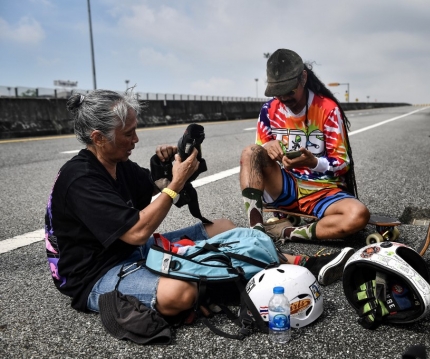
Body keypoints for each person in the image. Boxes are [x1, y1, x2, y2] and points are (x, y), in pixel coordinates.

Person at [44, 90, 355, 323]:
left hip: (131, 252)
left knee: (223, 227)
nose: (136, 139)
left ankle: (303, 262)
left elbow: (160, 188)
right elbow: (137, 231)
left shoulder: (116, 162)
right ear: (99, 137)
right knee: (181, 294)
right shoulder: (80, 179)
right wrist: (174, 184)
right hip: (97, 274)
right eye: (128, 134)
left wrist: (172, 165)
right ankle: (232, 283)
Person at [240, 49, 370, 243]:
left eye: (289, 91)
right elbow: (257, 158)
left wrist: (314, 162)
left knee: (358, 215)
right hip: (286, 187)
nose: (283, 98)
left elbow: (343, 163)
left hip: (323, 190)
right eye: (278, 93)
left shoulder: (327, 109)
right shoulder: (269, 109)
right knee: (250, 152)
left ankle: (286, 232)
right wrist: (268, 145)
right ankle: (256, 232)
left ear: (303, 78)